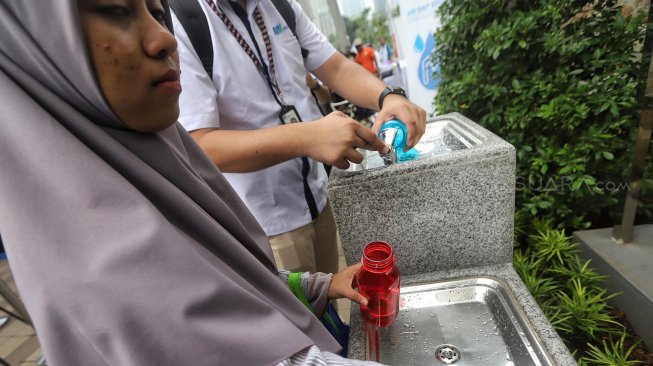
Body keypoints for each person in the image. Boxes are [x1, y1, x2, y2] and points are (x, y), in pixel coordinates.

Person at [0, 1, 384, 365]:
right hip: (276, 217)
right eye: (116, 11)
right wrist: (306, 137)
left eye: (157, 13)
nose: (163, 38)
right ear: (43, 45)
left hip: (312, 199)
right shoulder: (99, 263)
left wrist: (323, 285)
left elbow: (236, 280)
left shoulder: (158, 162)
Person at [172, 0, 426, 276]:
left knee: (330, 307)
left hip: (319, 199)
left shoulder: (280, 7)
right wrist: (306, 138)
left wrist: (388, 96)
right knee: (298, 316)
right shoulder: (184, 20)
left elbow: (335, 67)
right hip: (265, 226)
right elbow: (200, 145)